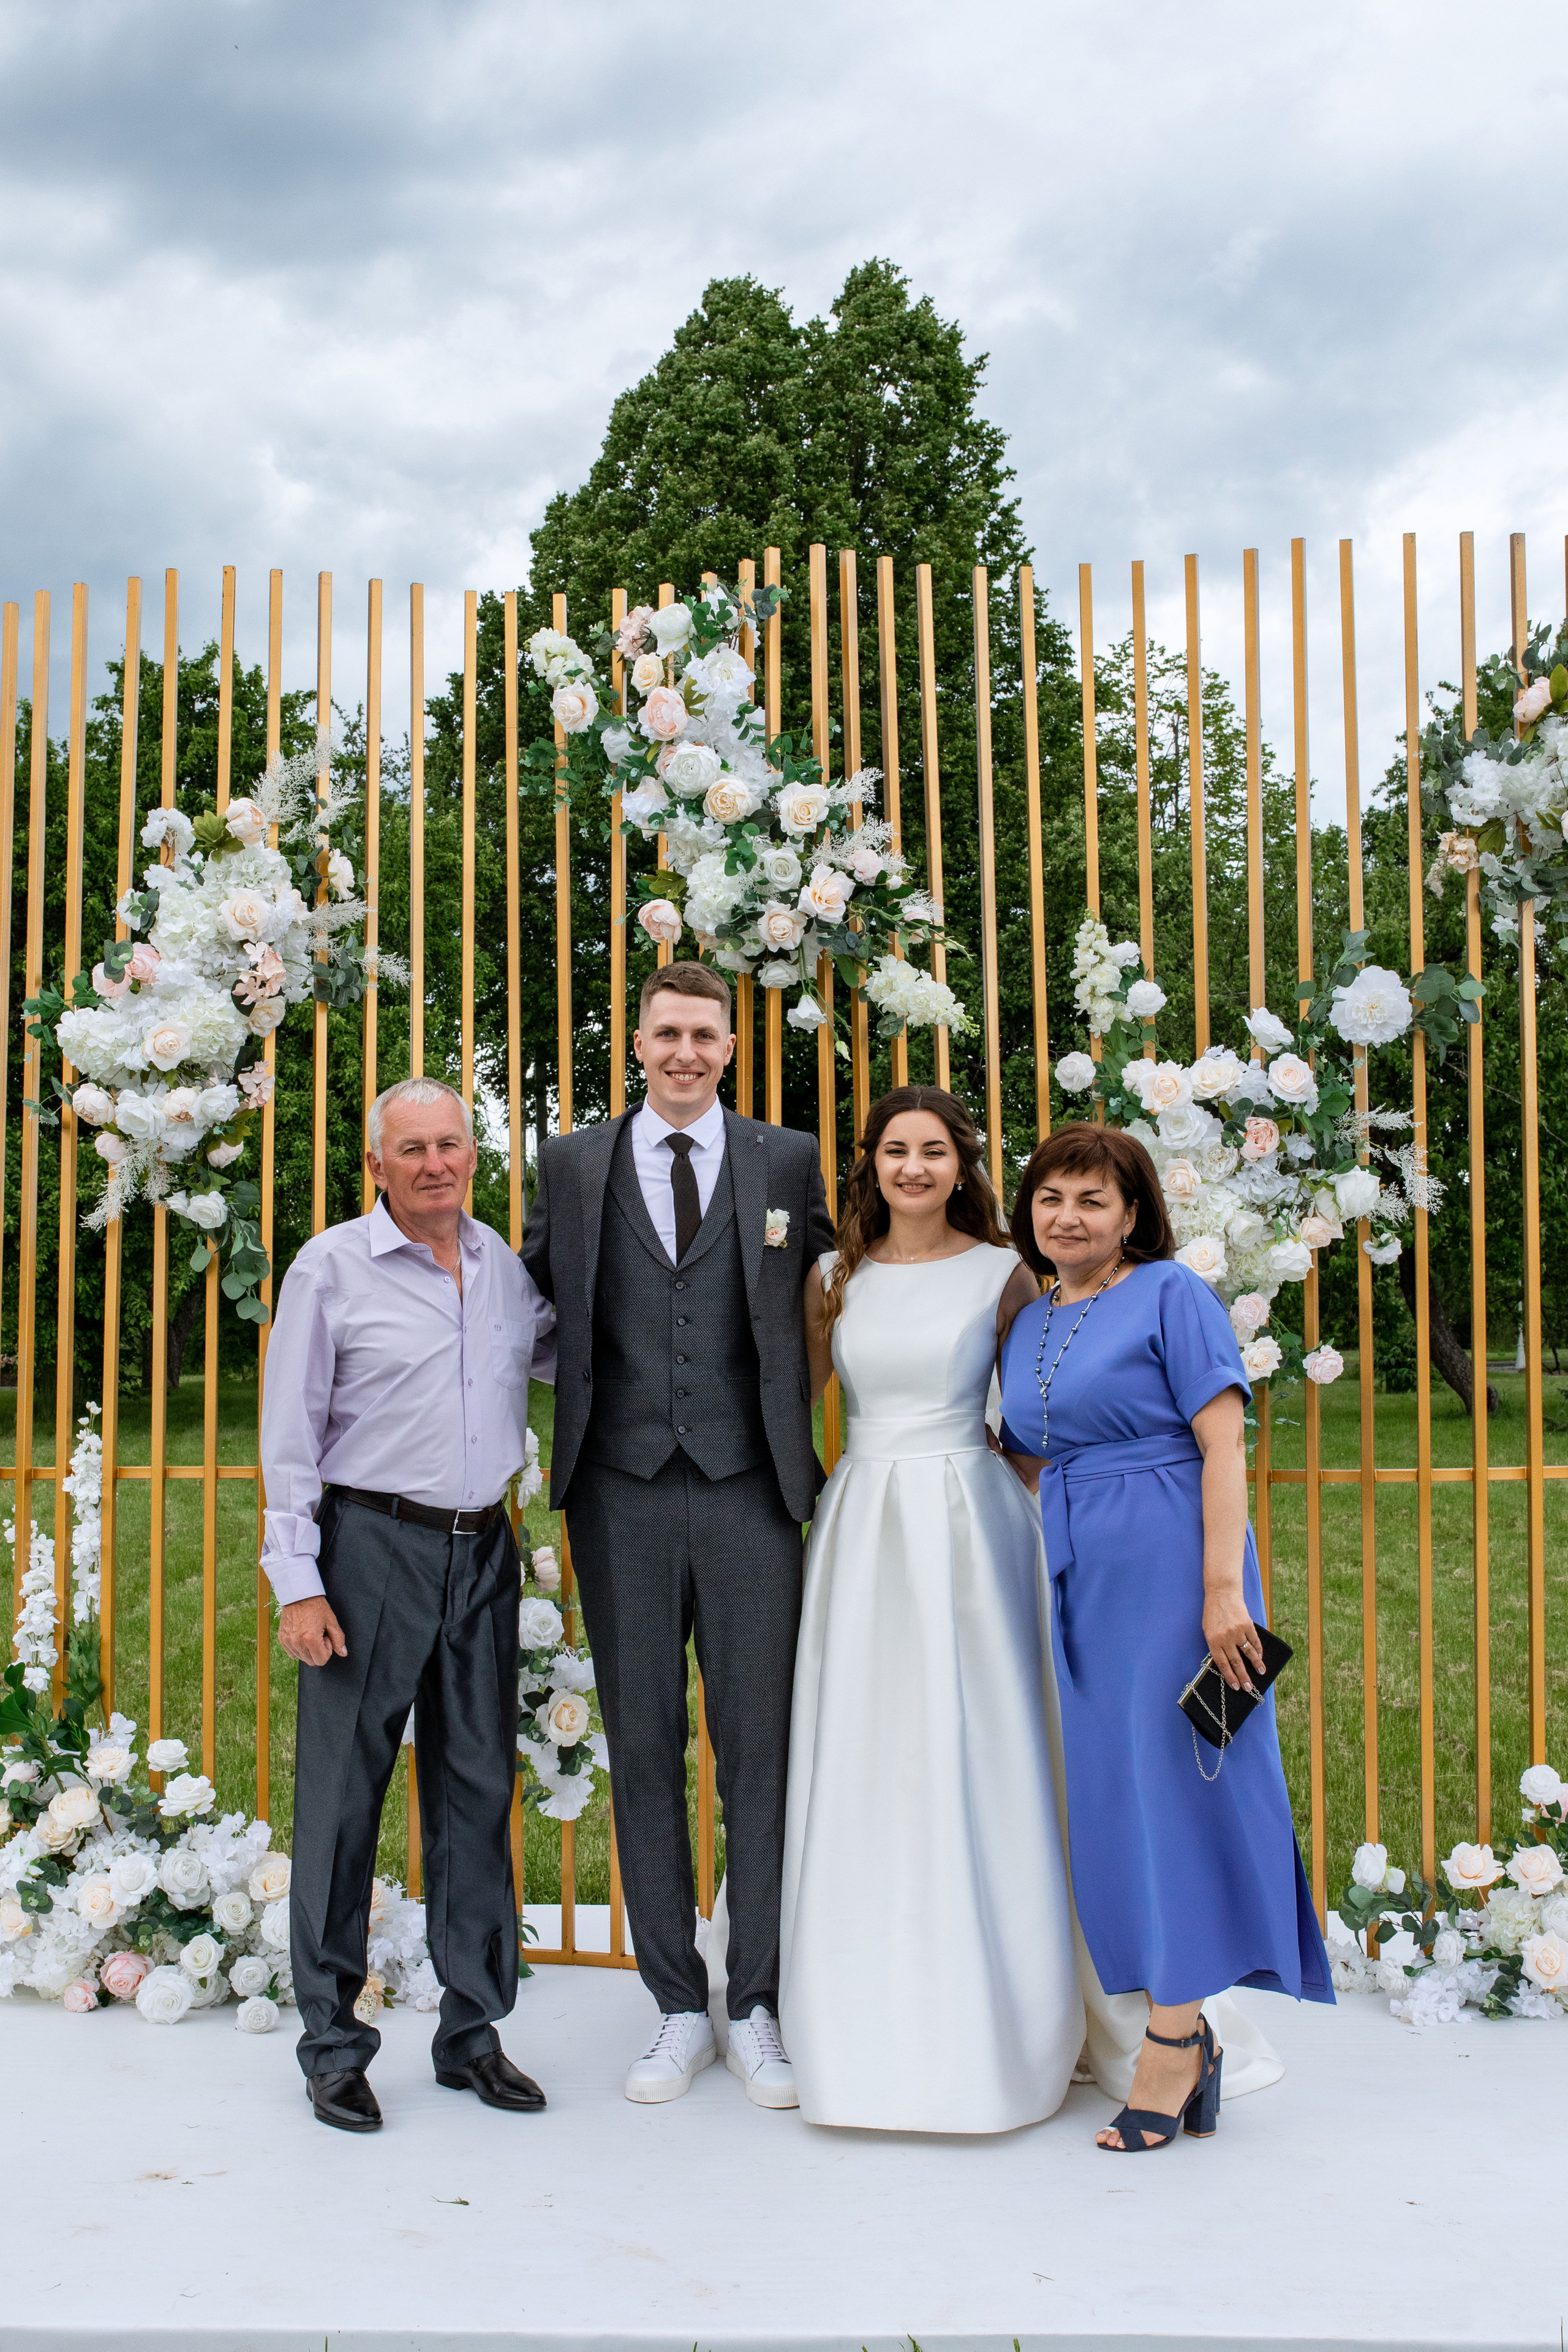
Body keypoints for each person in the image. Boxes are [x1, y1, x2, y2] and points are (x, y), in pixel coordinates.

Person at [520, 961, 834, 2108]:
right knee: (642, 1743)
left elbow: (845, 1286)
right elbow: (530, 1301)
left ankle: (755, 2002)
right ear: (637, 1044)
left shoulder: (786, 1162)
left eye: (706, 1035)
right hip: (623, 1490)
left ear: (733, 1048)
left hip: (755, 1491)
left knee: (759, 1747)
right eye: (667, 1034)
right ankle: (672, 2004)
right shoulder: (572, 1160)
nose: (686, 1052)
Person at [997, 1122, 1332, 2155]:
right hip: (1083, 1576)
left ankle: (1177, 2038)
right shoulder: (1032, 1316)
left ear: (1134, 1212)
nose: (1070, 1217)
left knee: (1184, 1790)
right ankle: (1173, 2017)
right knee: (1116, 1802)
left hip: (1176, 1568)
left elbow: (1221, 1438)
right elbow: (1021, 1446)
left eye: (1093, 1199)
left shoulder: (1171, 1295)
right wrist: (1067, 1516)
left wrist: (1223, 1590)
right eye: (1052, 1198)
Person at [777, 1085, 1084, 2132]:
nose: (915, 1168)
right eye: (896, 1151)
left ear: (964, 1166)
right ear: (868, 1164)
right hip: (864, 1523)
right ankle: (853, 2012)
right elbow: (795, 1407)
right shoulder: (833, 1277)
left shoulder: (1006, 1272)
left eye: (935, 1152)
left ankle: (1011, 2006)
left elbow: (1043, 1405)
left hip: (970, 1521)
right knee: (872, 1746)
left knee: (983, 1742)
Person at [261, 1075, 556, 2134]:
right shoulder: (330, 1269)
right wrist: (299, 1582)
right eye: (413, 1148)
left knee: (478, 1792)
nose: (437, 1163)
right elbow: (290, 1436)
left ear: (474, 1155)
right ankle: (333, 2045)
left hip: (483, 1551)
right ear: (377, 1165)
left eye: (453, 1144)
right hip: (368, 1548)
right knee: (345, 1800)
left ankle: (472, 2033)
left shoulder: (505, 1273)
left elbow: (564, 1361)